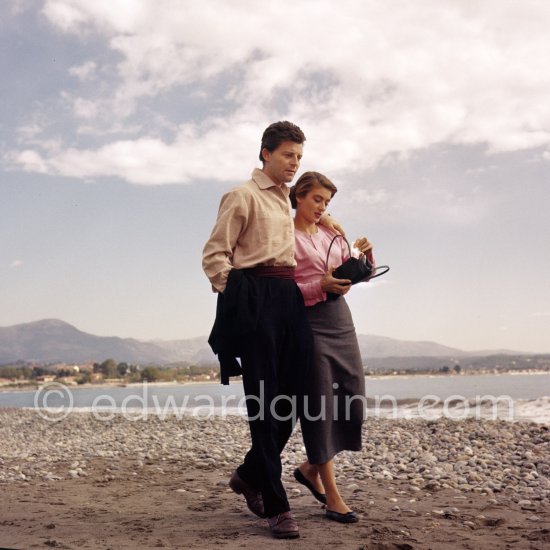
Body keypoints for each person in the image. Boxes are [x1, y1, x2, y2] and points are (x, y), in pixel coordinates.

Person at [202, 122, 343, 539]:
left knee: (297, 399)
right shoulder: (241, 196)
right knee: (264, 406)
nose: (294, 163)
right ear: (265, 153)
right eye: (287, 155)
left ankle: (249, 474)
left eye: (299, 157)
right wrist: (239, 299)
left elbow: (312, 216)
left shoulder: (287, 199)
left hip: (289, 298)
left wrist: (330, 218)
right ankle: (276, 506)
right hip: (255, 297)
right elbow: (214, 256)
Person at [289, 171, 373, 524]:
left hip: (341, 320)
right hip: (309, 323)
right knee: (320, 404)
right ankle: (332, 497)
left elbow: (354, 274)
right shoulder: (285, 236)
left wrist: (365, 258)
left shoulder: (332, 232)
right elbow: (286, 288)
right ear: (298, 197)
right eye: (316, 200)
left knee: (351, 397)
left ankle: (310, 469)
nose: (321, 207)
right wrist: (319, 285)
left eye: (326, 202)